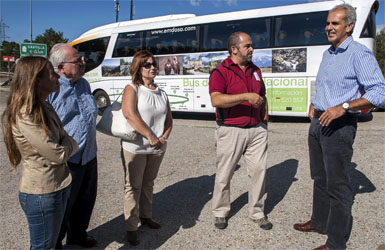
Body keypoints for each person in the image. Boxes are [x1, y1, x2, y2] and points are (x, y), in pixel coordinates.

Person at [293, 4, 385, 250]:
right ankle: (320, 222)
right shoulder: (328, 53)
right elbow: (326, 86)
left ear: (349, 26)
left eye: (335, 23)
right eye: (327, 23)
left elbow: (379, 91)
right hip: (318, 122)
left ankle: (335, 243)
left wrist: (343, 107)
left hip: (339, 126)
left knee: (338, 186)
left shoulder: (358, 53)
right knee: (319, 178)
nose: (329, 27)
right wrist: (315, 103)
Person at [1, 56, 79, 250]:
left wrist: (66, 143)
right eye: (52, 73)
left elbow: (64, 137)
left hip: (58, 184)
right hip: (41, 193)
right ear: (36, 79)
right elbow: (58, 153)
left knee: (51, 244)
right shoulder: (24, 113)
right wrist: (68, 145)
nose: (57, 78)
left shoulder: (44, 105)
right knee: (43, 247)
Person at [209, 32, 271, 230]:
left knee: (259, 172)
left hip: (256, 131)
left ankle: (257, 212)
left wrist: (265, 122)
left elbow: (263, 96)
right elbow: (216, 100)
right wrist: (246, 96)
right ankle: (220, 212)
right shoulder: (220, 71)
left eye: (252, 46)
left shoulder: (256, 70)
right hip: (230, 130)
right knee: (224, 175)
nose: (252, 49)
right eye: (248, 46)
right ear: (234, 49)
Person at [47, 43, 99, 248]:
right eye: (77, 60)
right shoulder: (52, 88)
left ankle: (78, 235)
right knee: (63, 206)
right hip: (68, 159)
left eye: (82, 58)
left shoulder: (84, 83)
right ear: (60, 67)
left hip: (89, 155)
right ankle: (56, 243)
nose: (83, 62)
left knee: (85, 201)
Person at [120, 50, 173, 245]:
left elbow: (169, 119)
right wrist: (150, 136)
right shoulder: (132, 88)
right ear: (138, 68)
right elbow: (130, 115)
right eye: (147, 64)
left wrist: (163, 137)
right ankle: (131, 226)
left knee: (148, 183)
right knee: (133, 186)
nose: (152, 67)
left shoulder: (161, 92)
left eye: (154, 64)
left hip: (157, 147)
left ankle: (146, 216)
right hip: (135, 147)